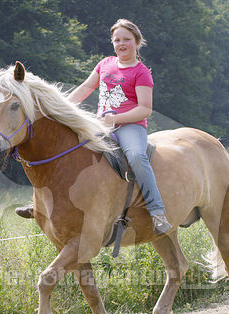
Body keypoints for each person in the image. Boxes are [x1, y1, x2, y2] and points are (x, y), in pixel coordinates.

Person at [16, 18, 171, 234]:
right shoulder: (105, 64)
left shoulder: (141, 72)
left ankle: (157, 211)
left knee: (136, 156)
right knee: (61, 148)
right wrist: (61, 109)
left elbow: (145, 109)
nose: (121, 44)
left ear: (137, 42)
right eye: (117, 40)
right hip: (99, 123)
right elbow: (87, 87)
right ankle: (42, 204)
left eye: (126, 39)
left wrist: (115, 119)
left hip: (129, 126)